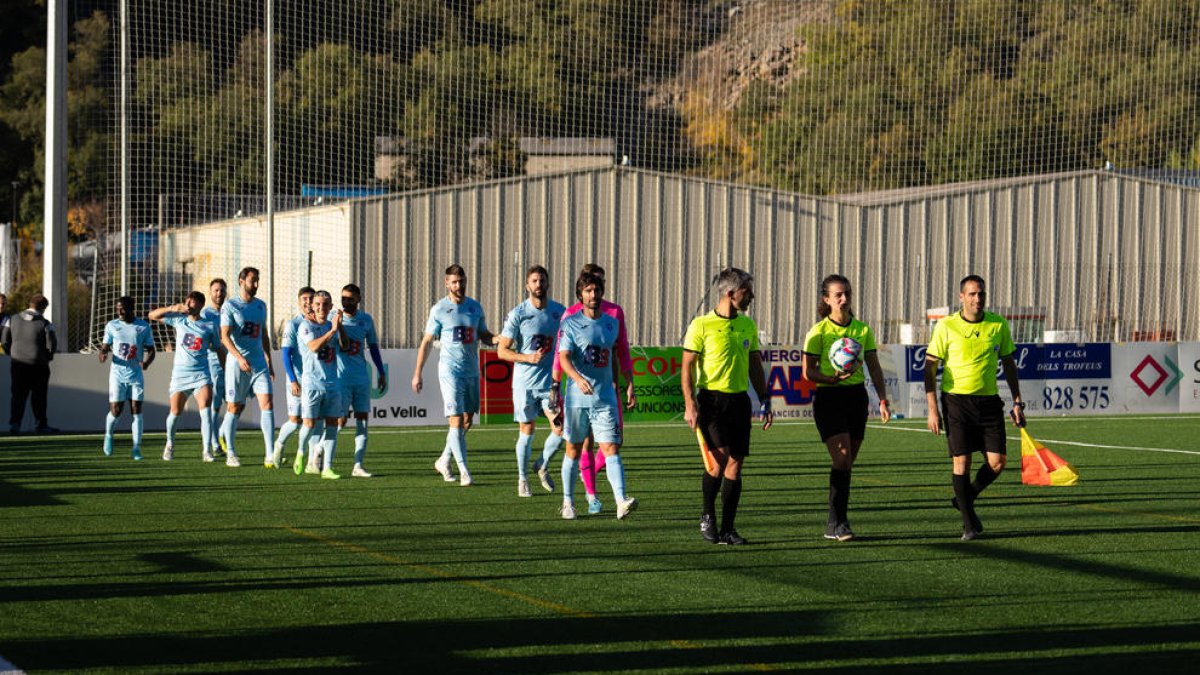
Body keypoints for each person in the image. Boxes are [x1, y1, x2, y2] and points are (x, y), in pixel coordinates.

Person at [925, 274, 1026, 541]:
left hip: (989, 402)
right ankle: (969, 525)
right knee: (963, 461)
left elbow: (1008, 363)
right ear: (961, 297)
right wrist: (932, 408)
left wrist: (1017, 401)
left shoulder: (998, 324)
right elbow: (930, 367)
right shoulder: (946, 326)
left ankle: (964, 498)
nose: (977, 299)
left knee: (998, 462)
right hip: (956, 401)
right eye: (971, 294)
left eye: (981, 294)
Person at [681, 268, 773, 545]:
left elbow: (755, 365)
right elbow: (686, 367)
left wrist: (764, 398)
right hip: (712, 401)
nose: (752, 296)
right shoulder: (701, 325)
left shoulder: (747, 325)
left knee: (735, 466)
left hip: (739, 401)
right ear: (730, 294)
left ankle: (729, 529)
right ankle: (707, 516)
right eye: (747, 292)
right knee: (718, 463)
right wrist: (690, 403)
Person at [801, 274, 891, 543]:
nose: (844, 298)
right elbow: (808, 372)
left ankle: (834, 522)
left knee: (848, 461)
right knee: (841, 457)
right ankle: (840, 521)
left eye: (847, 293)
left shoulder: (862, 330)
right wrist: (830, 378)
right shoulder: (818, 332)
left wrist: (883, 399)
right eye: (838, 295)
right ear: (826, 300)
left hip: (856, 397)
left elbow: (874, 366)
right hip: (829, 397)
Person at [548, 263, 635, 514]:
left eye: (596, 290)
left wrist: (629, 383)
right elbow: (562, 356)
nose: (593, 295)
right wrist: (572, 378)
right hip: (577, 400)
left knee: (610, 447)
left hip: (605, 397)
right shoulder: (570, 322)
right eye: (588, 290)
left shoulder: (612, 322)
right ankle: (568, 502)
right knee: (573, 450)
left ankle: (620, 501)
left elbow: (620, 355)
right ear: (580, 294)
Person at [412, 264, 494, 487]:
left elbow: (484, 335)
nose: (458, 285)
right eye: (454, 282)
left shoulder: (475, 308)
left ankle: (444, 459)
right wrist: (417, 373)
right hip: (450, 370)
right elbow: (427, 341)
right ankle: (464, 470)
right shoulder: (439, 309)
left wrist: (499, 339)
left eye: (461, 281)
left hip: (471, 370)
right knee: (456, 419)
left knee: (467, 420)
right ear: (446, 283)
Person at [496, 265, 566, 497]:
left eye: (542, 280)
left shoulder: (560, 312)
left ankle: (542, 464)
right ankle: (522, 479)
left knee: (561, 428)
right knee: (527, 430)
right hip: (524, 383)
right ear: (527, 285)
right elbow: (502, 351)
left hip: (550, 384)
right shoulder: (518, 314)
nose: (539, 284)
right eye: (534, 281)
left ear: (548, 283)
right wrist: (527, 357)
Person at [148, 292, 222, 461]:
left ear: (201, 305)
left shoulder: (210, 326)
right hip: (180, 375)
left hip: (201, 374)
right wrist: (172, 308)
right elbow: (151, 315)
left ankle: (206, 451)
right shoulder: (178, 320)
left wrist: (225, 369)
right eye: (187, 301)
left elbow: (218, 349)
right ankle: (170, 444)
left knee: (205, 410)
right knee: (175, 412)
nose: (187, 304)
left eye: (192, 302)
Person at [218, 266, 275, 469]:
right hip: (237, 364)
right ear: (241, 281)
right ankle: (231, 453)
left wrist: (270, 362)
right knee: (234, 407)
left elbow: (264, 335)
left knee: (267, 404)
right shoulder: (230, 306)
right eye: (253, 280)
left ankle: (270, 454)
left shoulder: (261, 305)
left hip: (259, 363)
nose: (257, 284)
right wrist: (239, 358)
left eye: (258, 280)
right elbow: (224, 336)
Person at [293, 290, 347, 479]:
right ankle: (300, 452)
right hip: (312, 384)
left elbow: (346, 347)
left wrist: (339, 327)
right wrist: (332, 330)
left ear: (330, 307)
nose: (321, 308)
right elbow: (314, 347)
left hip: (332, 384)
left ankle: (327, 468)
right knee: (308, 424)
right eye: (317, 304)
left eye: (325, 305)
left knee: (333, 424)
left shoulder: (332, 325)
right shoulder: (305, 326)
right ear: (312, 306)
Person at [336, 283, 387, 478]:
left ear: (358, 299)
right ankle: (319, 453)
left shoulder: (366, 320)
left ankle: (358, 465)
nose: (345, 301)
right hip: (341, 379)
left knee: (363, 420)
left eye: (350, 298)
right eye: (343, 298)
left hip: (361, 378)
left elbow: (373, 347)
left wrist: (381, 371)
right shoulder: (335, 318)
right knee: (339, 421)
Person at [98, 296, 156, 459]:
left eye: (123, 308)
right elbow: (105, 346)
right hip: (117, 374)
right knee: (116, 410)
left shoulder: (143, 327)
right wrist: (103, 353)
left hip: (135, 374)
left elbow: (151, 349)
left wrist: (147, 363)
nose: (120, 311)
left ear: (131, 308)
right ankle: (109, 435)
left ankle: (136, 448)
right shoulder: (112, 325)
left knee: (136, 410)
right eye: (117, 308)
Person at [2, 294, 58, 434]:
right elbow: (51, 344)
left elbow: (4, 340)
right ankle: (41, 424)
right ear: (43, 307)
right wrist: (47, 357)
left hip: (18, 364)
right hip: (39, 365)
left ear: (29, 304)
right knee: (39, 396)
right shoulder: (45, 323)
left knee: (18, 395)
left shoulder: (12, 319)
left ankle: (15, 424)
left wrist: (13, 353)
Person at [277, 287, 319, 471]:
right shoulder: (293, 325)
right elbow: (286, 354)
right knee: (295, 422)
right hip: (298, 380)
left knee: (314, 421)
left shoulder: (320, 322)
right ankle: (278, 446)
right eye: (304, 298)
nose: (308, 302)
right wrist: (293, 379)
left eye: (311, 298)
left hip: (316, 379)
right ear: (299, 301)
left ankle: (312, 461)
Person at [200, 279, 228, 459]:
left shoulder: (229, 311)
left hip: (232, 361)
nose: (219, 294)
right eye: (216, 290)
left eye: (222, 290)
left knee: (236, 402)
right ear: (211, 293)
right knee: (215, 404)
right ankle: (214, 442)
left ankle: (219, 433)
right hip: (214, 363)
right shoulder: (205, 314)